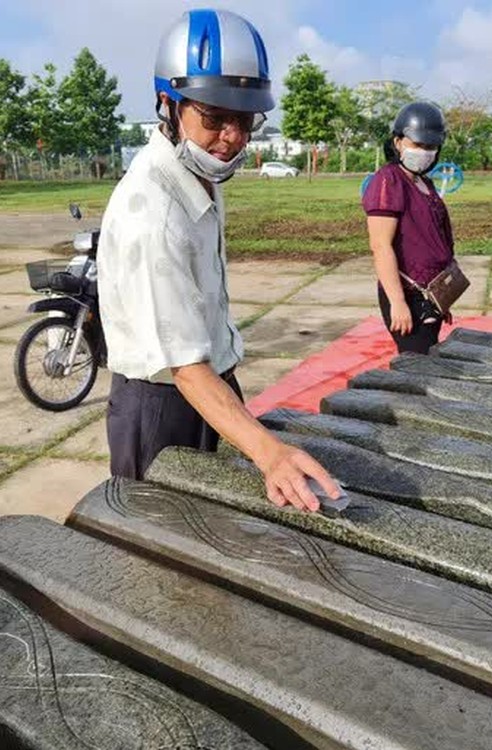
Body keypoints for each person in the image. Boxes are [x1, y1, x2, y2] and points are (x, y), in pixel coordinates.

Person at [97, 8, 339, 512]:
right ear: (168, 104)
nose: (232, 137)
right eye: (214, 118)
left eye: (244, 119)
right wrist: (269, 453)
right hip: (163, 403)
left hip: (212, 387)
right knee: (164, 543)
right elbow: (183, 367)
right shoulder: (154, 210)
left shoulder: (198, 171)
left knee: (219, 530)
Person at [361, 102, 457, 354]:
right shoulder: (389, 181)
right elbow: (380, 246)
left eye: (430, 147)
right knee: (417, 367)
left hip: (430, 296)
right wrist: (398, 302)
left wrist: (442, 297)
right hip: (408, 296)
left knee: (428, 360)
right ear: (398, 142)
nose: (424, 152)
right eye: (417, 145)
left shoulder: (424, 182)